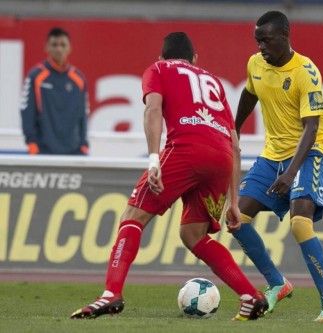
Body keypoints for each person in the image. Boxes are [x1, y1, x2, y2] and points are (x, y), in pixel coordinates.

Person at [70, 32, 268, 321]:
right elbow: (235, 143)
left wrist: (153, 160)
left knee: (132, 216)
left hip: (186, 150)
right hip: (221, 158)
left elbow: (153, 110)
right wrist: (234, 201)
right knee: (193, 235)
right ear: (195, 59)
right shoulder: (213, 81)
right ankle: (250, 295)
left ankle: (111, 293)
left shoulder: (158, 69)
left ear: (162, 56)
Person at [232, 11, 323, 322]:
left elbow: (311, 126)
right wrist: (235, 127)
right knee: (236, 218)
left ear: (284, 37)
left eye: (266, 40)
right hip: (272, 154)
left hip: (310, 152)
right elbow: (249, 93)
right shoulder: (256, 64)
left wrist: (291, 173)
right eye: (257, 41)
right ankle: (277, 284)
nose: (260, 47)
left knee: (299, 223)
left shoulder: (306, 72)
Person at [20, 27, 89, 155]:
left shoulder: (78, 78)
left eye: (63, 45)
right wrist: (31, 142)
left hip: (74, 151)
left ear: (69, 48)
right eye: (54, 44)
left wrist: (84, 144)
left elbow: (83, 114)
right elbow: (27, 111)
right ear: (46, 47)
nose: (59, 49)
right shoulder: (36, 76)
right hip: (43, 150)